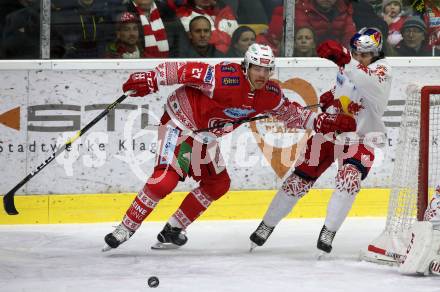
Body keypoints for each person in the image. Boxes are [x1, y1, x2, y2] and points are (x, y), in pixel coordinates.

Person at [102, 43, 356, 251]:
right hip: (181, 124)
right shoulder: (224, 77)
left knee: (218, 184)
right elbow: (181, 70)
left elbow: (293, 115)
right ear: (246, 66)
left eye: (267, 70)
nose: (262, 74)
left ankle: (173, 229)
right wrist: (151, 78)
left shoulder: (269, 94)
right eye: (257, 68)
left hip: (205, 137)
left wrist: (324, 121)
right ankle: (125, 228)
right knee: (164, 181)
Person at [249, 27, 392, 254]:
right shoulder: (349, 67)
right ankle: (266, 225)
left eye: (364, 54)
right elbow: (346, 88)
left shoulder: (382, 70)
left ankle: (329, 230)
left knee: (349, 178)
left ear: (376, 53)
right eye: (356, 53)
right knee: (298, 181)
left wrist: (346, 61)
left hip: (362, 137)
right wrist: (331, 98)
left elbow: (369, 84)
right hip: (331, 133)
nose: (359, 58)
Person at [399, 187, 440, 275]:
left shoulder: (436, 198)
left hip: (428, 230)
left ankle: (432, 260)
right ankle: (433, 260)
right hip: (434, 231)